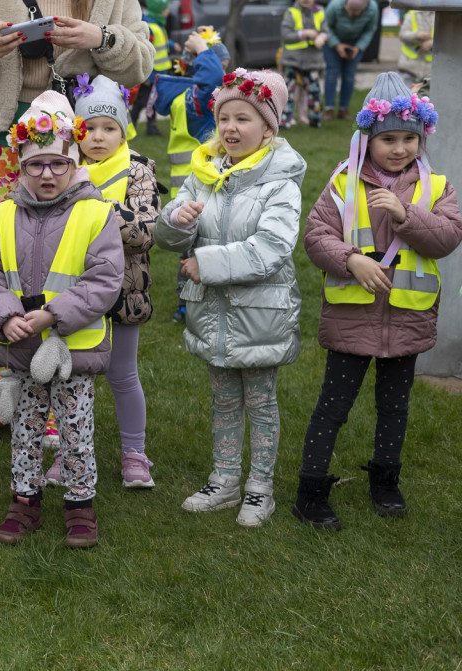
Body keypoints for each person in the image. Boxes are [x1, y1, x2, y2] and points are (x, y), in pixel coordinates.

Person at [0, 0, 154, 449]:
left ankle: (52, 407)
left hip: (68, 150)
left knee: (61, 271)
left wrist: (101, 39)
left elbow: (141, 64)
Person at [292, 73, 462, 530]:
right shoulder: (343, 185)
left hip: (407, 318)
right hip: (352, 317)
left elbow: (447, 237)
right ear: (367, 138)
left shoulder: (437, 187)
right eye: (388, 138)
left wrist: (407, 217)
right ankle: (310, 489)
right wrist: (350, 262)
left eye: (410, 138)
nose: (400, 148)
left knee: (395, 407)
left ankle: (385, 481)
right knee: (333, 406)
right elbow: (315, 238)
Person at [0, 90, 124, 548]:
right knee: (26, 427)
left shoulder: (96, 214)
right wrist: (6, 317)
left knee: (76, 430)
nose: (47, 174)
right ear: (21, 166)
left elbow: (105, 279)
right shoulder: (4, 214)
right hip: (22, 347)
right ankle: (25, 500)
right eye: (36, 164)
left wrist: (52, 315)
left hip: (73, 349)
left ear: (74, 162)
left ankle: (80, 504)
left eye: (58, 163)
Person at [155, 70, 304, 528]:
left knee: (260, 401)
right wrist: (177, 220)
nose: (231, 128)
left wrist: (209, 263)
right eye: (224, 118)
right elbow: (168, 236)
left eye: (244, 118)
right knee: (223, 400)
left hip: (259, 315)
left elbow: (272, 249)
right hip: (213, 315)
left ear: (269, 128)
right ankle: (224, 481)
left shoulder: (279, 182)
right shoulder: (204, 174)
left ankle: (260, 488)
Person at [70, 74, 159, 488]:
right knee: (73, 376)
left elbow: (143, 233)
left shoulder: (138, 169)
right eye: (89, 128)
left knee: (123, 375)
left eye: (110, 128)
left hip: (125, 291)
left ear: (124, 130)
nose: (99, 137)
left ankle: (134, 452)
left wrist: (97, 207)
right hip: (75, 292)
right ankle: (73, 451)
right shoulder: (65, 167)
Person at [153, 30, 229, 323]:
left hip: (181, 191)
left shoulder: (178, 97)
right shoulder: (199, 102)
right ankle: (191, 305)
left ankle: (184, 307)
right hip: (204, 190)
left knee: (187, 250)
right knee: (200, 250)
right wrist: (203, 51)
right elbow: (212, 81)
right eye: (223, 68)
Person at [322, 0, 379, 121]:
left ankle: (343, 108)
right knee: (332, 71)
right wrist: (337, 45)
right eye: (349, 10)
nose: (350, 14)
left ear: (364, 10)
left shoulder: (373, 9)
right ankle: (329, 108)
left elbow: (369, 30)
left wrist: (358, 47)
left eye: (355, 12)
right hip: (332, 42)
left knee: (349, 75)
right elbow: (326, 27)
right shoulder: (335, 5)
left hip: (355, 42)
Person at [279, 0, 327, 128]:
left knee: (315, 92)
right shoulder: (291, 12)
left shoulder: (320, 12)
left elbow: (327, 32)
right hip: (291, 60)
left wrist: (322, 37)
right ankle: (284, 122)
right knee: (287, 92)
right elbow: (286, 35)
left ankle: (315, 121)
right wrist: (305, 34)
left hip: (312, 61)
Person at [128, 0, 173, 136]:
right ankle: (131, 123)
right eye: (166, 9)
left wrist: (172, 45)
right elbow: (145, 52)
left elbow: (163, 42)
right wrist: (146, 74)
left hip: (159, 74)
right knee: (141, 102)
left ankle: (150, 127)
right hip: (151, 74)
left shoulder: (159, 25)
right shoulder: (150, 27)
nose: (168, 11)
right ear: (159, 11)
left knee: (151, 101)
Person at [397, 10, 434, 86]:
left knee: (427, 95)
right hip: (409, 64)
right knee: (405, 94)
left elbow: (449, 37)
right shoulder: (412, 14)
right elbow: (402, 34)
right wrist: (417, 35)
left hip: (430, 66)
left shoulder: (441, 15)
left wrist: (432, 43)